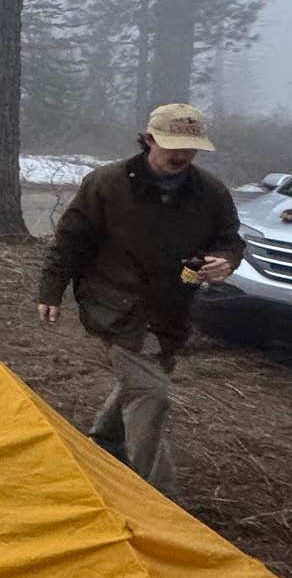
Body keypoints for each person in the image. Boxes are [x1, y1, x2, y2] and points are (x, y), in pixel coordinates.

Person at [36, 103, 243, 492]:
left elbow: (230, 238)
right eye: (171, 145)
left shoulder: (211, 191)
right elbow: (70, 241)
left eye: (190, 148)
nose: (180, 156)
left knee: (146, 376)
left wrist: (225, 260)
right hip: (111, 304)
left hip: (170, 309)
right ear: (148, 140)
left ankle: (103, 440)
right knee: (151, 391)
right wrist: (52, 289)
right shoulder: (107, 183)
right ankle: (157, 497)